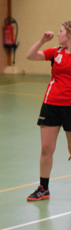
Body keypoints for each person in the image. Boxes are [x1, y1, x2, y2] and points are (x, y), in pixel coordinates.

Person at [24, 21, 71, 201]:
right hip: (51, 105)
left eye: (61, 31)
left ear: (69, 35)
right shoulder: (56, 52)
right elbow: (30, 56)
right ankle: (44, 188)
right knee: (46, 148)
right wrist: (42, 41)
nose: (58, 34)